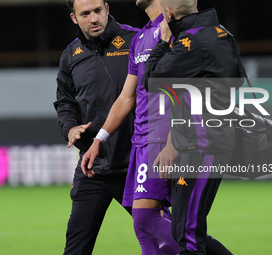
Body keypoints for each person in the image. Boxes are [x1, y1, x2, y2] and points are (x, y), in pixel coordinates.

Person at [82, 0, 233, 254]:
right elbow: (127, 97)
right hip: (141, 140)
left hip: (164, 138)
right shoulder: (140, 38)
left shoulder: (175, 30)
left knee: (148, 219)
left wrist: (175, 140)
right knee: (146, 227)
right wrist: (100, 139)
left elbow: (187, 89)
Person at [142, 0, 243, 254]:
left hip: (201, 147)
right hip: (208, 142)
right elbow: (238, 80)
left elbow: (151, 80)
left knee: (187, 236)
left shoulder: (190, 43)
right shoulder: (223, 34)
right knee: (186, 230)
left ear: (169, 13)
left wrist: (164, 42)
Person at [53, 0, 139, 254]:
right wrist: (69, 129)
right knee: (75, 248)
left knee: (172, 236)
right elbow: (65, 102)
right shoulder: (70, 56)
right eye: (85, 14)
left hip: (135, 167)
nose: (93, 18)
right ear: (74, 18)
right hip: (93, 168)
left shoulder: (136, 41)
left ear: (107, 9)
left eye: (97, 11)